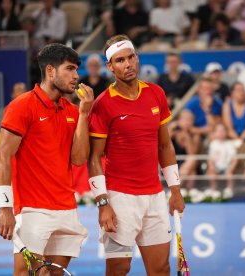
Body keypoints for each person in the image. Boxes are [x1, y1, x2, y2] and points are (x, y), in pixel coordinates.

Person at [88, 34, 185, 275]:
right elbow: (94, 158)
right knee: (119, 269)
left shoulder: (156, 93)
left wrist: (175, 190)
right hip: (120, 198)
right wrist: (103, 203)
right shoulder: (102, 104)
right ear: (110, 67)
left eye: (131, 57)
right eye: (120, 60)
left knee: (161, 268)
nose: (128, 64)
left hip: (154, 197)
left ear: (137, 58)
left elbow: (165, 146)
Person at [0, 43, 93, 274]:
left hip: (67, 208)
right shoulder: (22, 106)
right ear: (50, 71)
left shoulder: (71, 111)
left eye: (76, 69)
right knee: (26, 273)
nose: (76, 76)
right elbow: (2, 156)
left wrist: (84, 114)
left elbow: (79, 160)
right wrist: (5, 207)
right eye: (69, 69)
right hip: (32, 210)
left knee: (54, 274)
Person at [207, 123, 238, 192]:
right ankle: (214, 190)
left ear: (226, 132)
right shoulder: (213, 144)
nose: (221, 133)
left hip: (228, 167)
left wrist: (230, 169)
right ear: (214, 133)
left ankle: (230, 191)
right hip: (216, 167)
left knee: (230, 175)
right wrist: (212, 167)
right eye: (218, 131)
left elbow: (234, 159)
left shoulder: (230, 144)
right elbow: (210, 159)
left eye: (223, 130)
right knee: (211, 173)